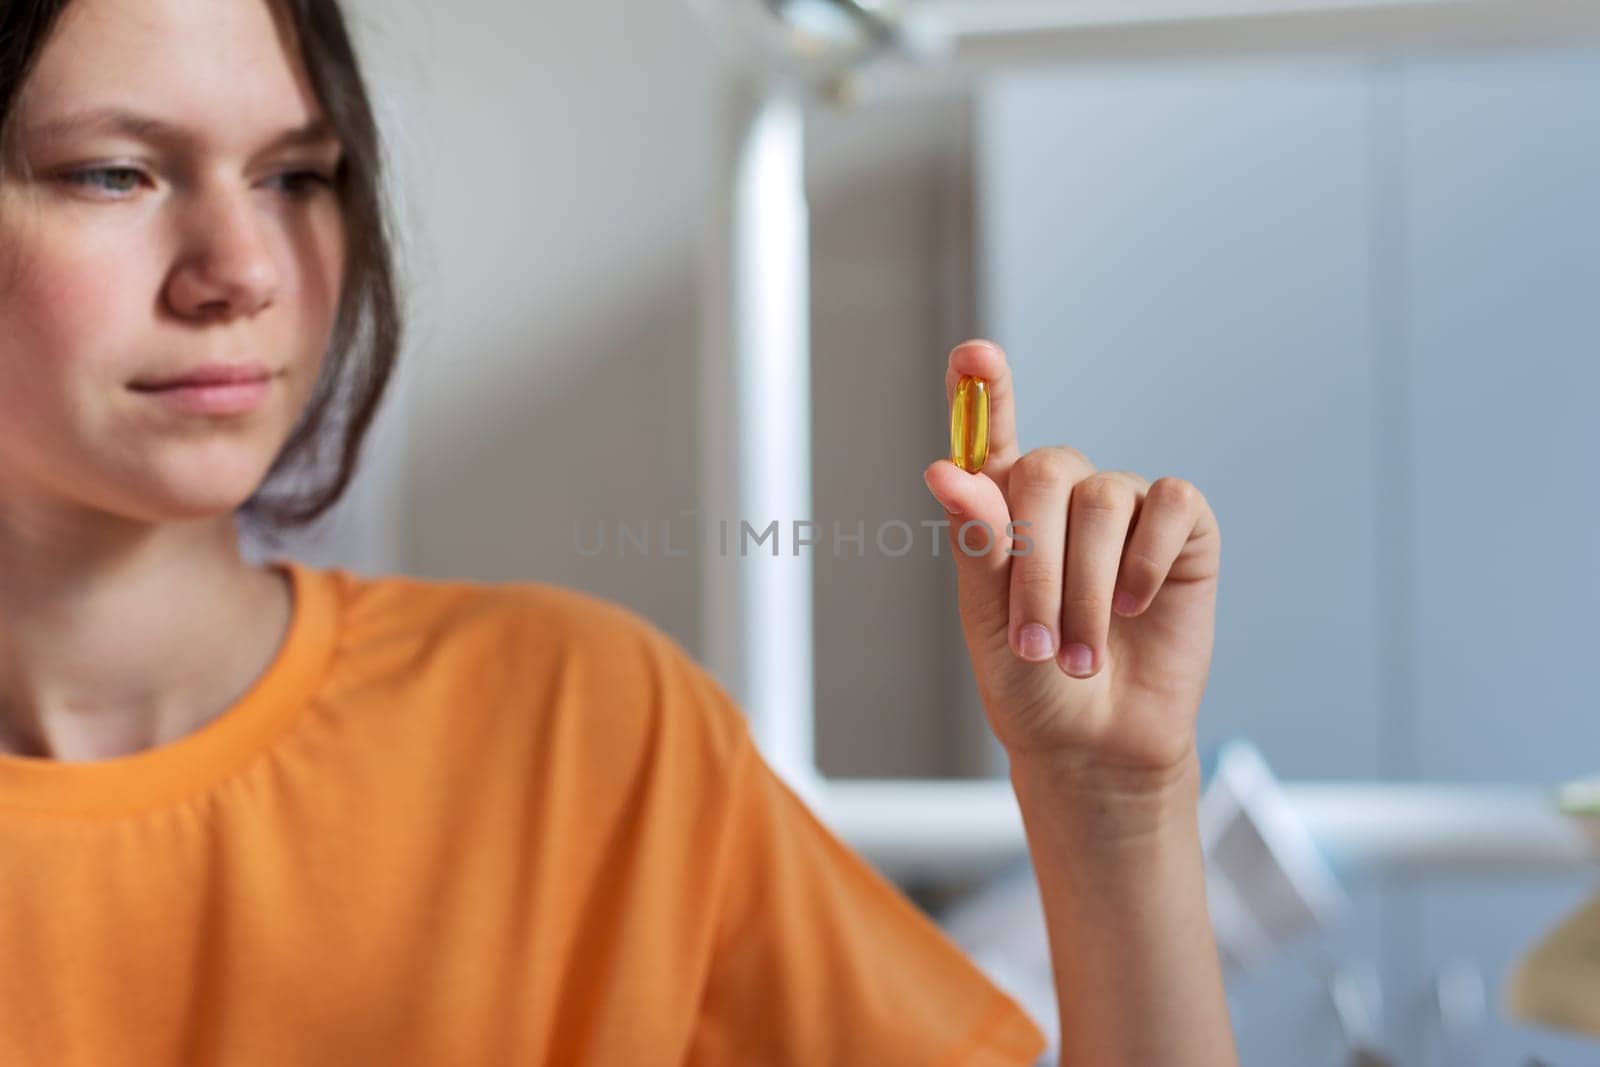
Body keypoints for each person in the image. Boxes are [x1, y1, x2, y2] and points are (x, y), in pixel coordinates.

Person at [0, 0, 1240, 1063]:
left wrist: (1112, 808)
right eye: (114, 171)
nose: (242, 269)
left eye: (295, 175)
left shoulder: (577, 725)